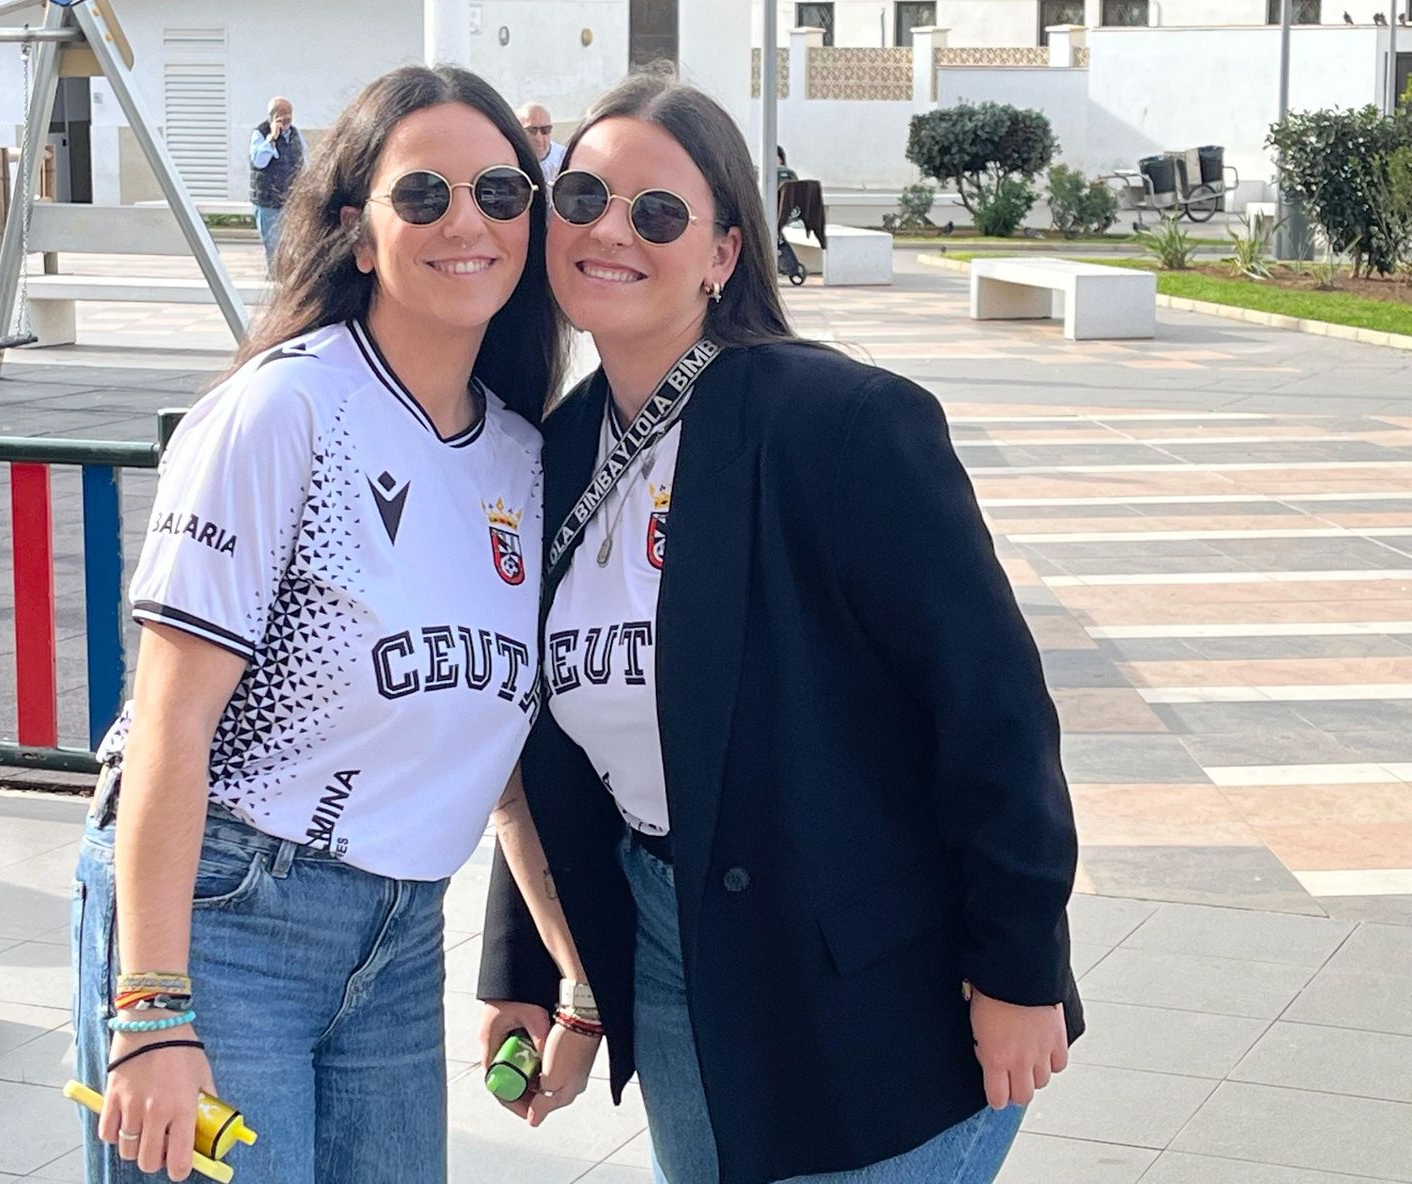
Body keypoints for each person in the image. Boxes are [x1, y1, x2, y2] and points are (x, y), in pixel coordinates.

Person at [477, 69, 1083, 1184]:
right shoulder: (547, 455)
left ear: (722, 253)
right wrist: (531, 966)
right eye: (583, 199)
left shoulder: (838, 423)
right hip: (671, 959)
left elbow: (991, 708)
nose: (612, 231)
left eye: (658, 213)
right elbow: (540, 739)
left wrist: (1020, 967)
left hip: (869, 979)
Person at [72, 64, 563, 1184]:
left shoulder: (524, 459)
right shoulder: (279, 411)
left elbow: (504, 760)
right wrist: (151, 1008)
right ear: (355, 230)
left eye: (499, 192)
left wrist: (568, 978)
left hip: (398, 940)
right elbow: (168, 725)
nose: (467, 222)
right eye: (422, 196)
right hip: (224, 914)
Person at [249, 96, 306, 267]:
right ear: (273, 115)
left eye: (289, 112)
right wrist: (272, 138)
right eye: (282, 113)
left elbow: (305, 161)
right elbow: (259, 161)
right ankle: (276, 285)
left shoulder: (296, 134)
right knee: (274, 250)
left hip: (291, 201)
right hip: (268, 203)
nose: (287, 116)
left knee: (293, 248)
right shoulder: (260, 133)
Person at [516, 101, 567, 183]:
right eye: (532, 130)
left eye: (545, 130)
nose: (538, 138)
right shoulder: (511, 158)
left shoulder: (565, 159)